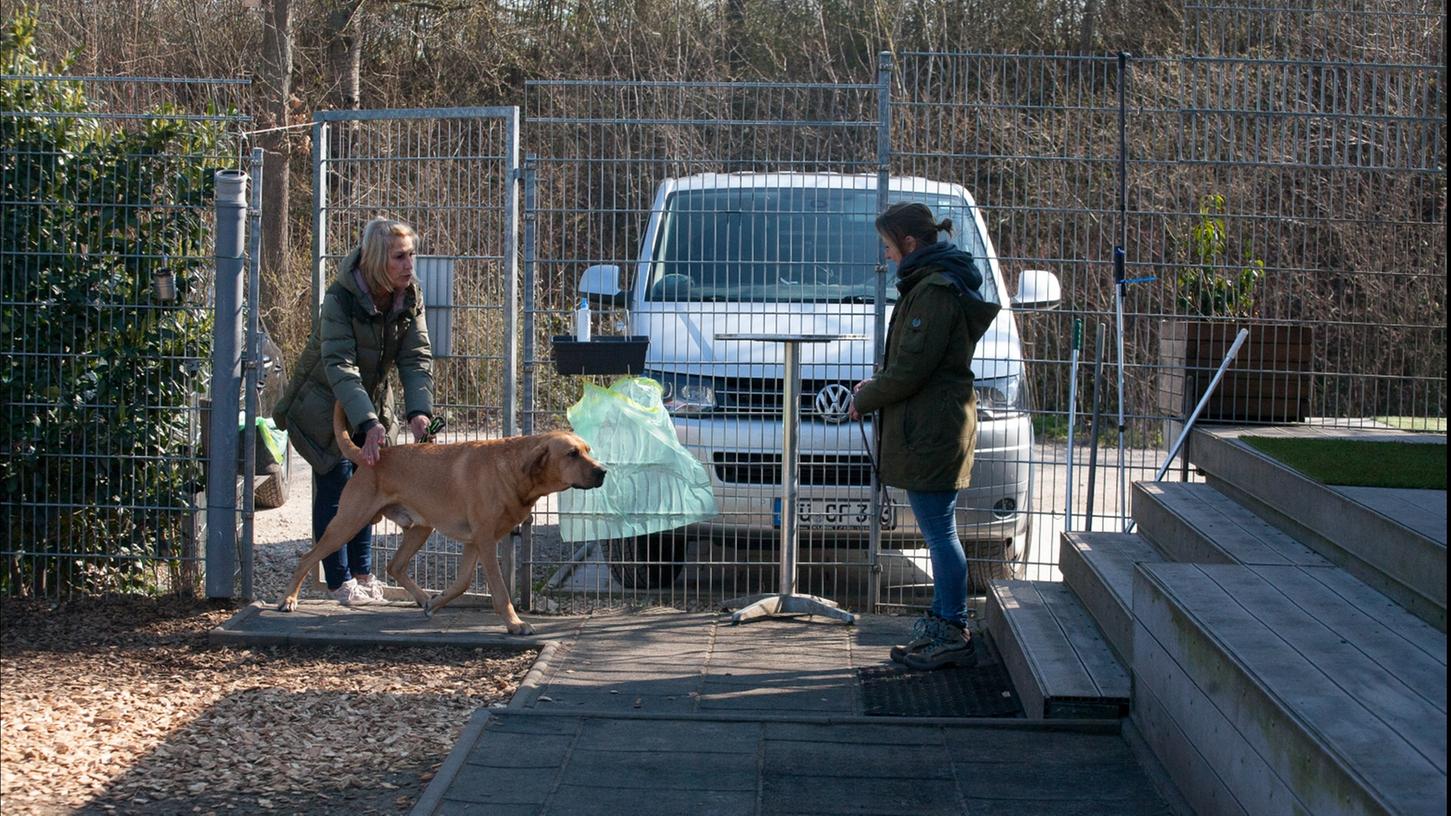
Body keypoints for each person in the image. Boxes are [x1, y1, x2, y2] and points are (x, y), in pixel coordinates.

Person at [850, 202, 1000, 670]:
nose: (888, 257)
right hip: (934, 426)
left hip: (933, 431)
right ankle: (943, 623)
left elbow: (912, 368)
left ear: (910, 244)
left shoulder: (933, 292)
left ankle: (952, 629)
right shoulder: (932, 285)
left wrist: (868, 395)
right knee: (940, 532)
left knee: (939, 534)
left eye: (890, 247)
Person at [273, 217, 435, 606]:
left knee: (374, 486)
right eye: (400, 257)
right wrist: (367, 421)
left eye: (411, 254)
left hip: (371, 402)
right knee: (337, 485)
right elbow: (340, 366)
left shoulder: (409, 294)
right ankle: (339, 581)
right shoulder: (341, 297)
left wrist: (418, 411)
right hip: (325, 402)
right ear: (377, 259)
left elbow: (415, 357)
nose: (409, 264)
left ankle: (363, 574)